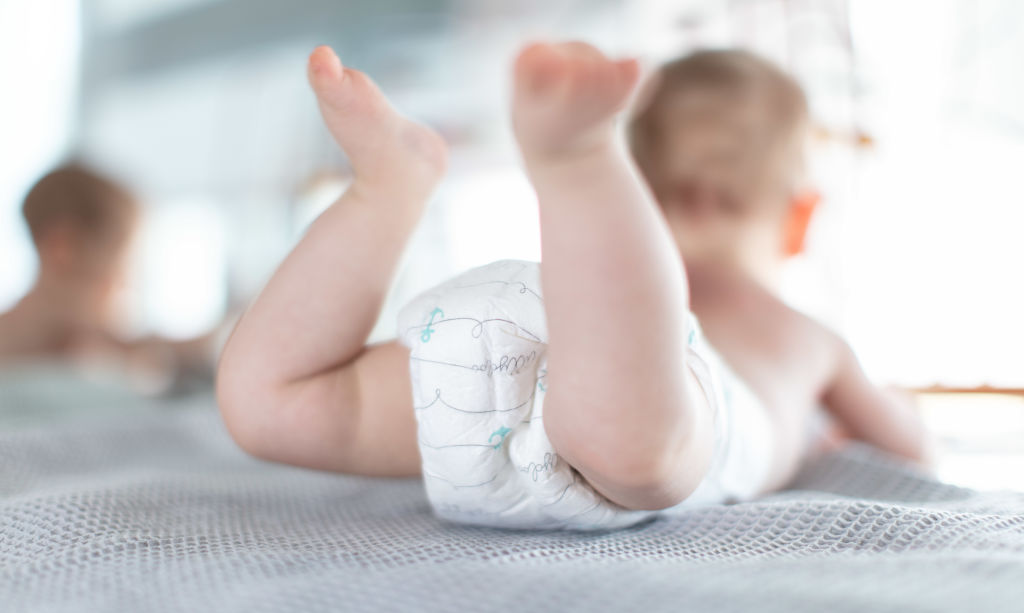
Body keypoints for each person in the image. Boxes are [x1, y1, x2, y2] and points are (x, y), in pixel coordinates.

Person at [216, 42, 932, 530]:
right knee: (635, 452)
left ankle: (387, 191)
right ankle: (577, 162)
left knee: (272, 403)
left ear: (638, 201)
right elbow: (912, 454)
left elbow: (601, 299)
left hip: (531, 333)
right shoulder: (807, 337)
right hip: (669, 391)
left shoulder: (604, 285)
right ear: (800, 217)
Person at [0, 164, 215, 388]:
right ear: (62, 249)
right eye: (120, 266)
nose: (125, 285)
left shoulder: (88, 348)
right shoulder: (40, 343)